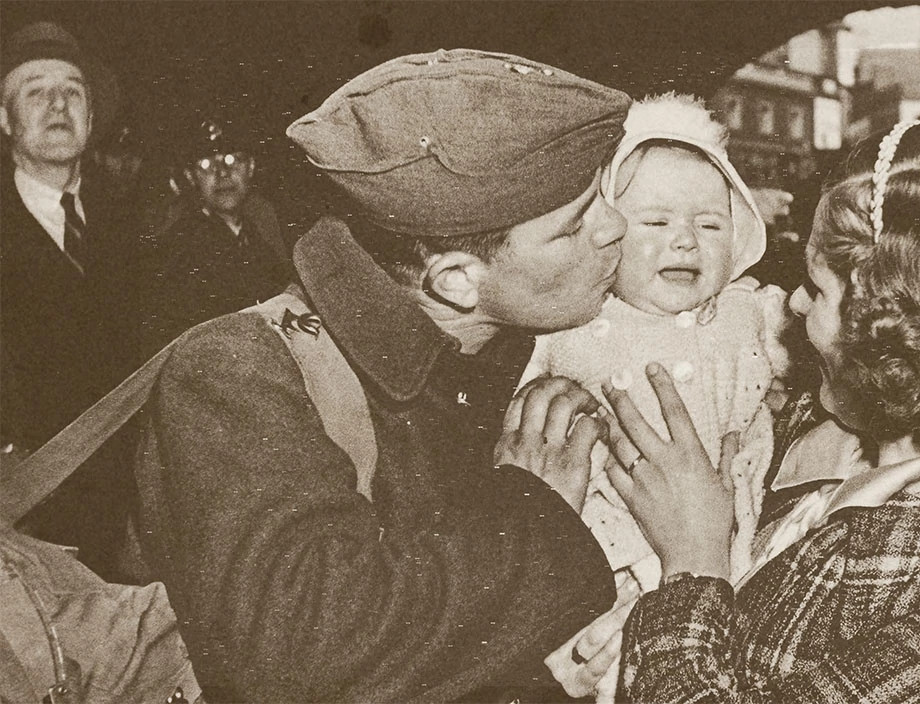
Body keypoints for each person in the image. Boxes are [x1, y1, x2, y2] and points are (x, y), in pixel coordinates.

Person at [133, 49, 633, 702]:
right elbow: (306, 659)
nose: (616, 227)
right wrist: (532, 508)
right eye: (575, 226)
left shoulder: (525, 350)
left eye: (605, 196)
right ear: (456, 281)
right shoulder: (241, 371)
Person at [602, 113, 920, 702]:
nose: (793, 303)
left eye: (818, 288)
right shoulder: (805, 424)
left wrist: (691, 566)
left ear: (893, 329)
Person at [522, 93, 789, 700]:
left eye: (710, 224)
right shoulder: (569, 327)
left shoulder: (751, 313)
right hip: (599, 540)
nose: (686, 242)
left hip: (725, 548)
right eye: (656, 223)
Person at [0, 21, 143, 581]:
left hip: (137, 521)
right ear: (5, 119)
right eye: (35, 89)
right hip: (32, 530)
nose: (58, 103)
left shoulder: (137, 223)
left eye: (73, 89)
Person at [140, 117, 293, 354]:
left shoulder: (262, 231)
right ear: (191, 177)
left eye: (233, 160)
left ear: (251, 168)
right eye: (206, 165)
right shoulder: (177, 252)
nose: (222, 173)